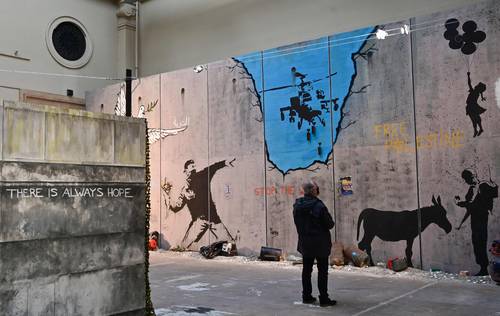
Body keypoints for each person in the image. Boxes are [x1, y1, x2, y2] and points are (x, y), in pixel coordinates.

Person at [163, 158, 236, 249]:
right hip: (201, 220)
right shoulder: (185, 190)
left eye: (193, 167)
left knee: (231, 244)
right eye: (191, 168)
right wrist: (168, 197)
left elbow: (213, 168)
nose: (192, 170)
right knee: (183, 245)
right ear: (185, 171)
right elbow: (177, 208)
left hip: (212, 218)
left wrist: (224, 163)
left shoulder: (202, 176)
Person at [293, 180, 336, 307]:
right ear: (314, 190)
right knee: (322, 271)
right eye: (317, 188)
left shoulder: (297, 205)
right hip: (320, 243)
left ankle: (306, 296)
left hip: (305, 242)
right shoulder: (319, 206)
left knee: (306, 270)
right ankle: (324, 298)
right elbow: (330, 224)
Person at [456, 169, 497, 276]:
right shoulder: (472, 189)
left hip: (481, 219)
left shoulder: (483, 186)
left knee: (481, 242)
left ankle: (485, 268)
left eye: (467, 179)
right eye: (465, 180)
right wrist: (461, 223)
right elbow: (470, 208)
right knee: (476, 243)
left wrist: (462, 203)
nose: (466, 181)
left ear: (473, 176)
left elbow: (474, 205)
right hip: (474, 220)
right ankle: (483, 268)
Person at [465, 72, 487, 137]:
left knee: (474, 119)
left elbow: (469, 83)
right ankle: (478, 129)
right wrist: (482, 97)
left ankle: (477, 130)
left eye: (477, 85)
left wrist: (468, 76)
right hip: (471, 106)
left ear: (477, 88)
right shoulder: (477, 92)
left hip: (471, 106)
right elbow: (480, 92)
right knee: (476, 118)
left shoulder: (474, 91)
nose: (476, 85)